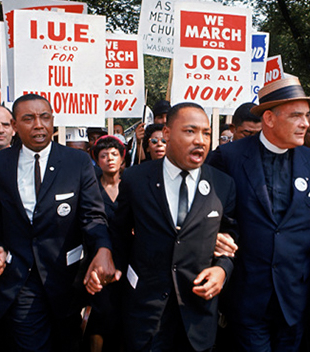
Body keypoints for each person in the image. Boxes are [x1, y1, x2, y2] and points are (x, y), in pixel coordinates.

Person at [209, 76, 310, 351]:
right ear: (270, 119)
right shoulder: (228, 157)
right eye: (296, 115)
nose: (306, 124)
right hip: (245, 297)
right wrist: (214, 235)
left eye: (306, 115)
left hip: (297, 300)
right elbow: (205, 213)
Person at [0, 94, 117, 351]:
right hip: (21, 279)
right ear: (14, 125)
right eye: (28, 119)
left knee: (68, 342)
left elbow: (93, 216)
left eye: (45, 117)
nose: (39, 125)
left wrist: (103, 248)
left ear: (53, 121)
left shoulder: (77, 162)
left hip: (67, 278)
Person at [112, 102, 237, 352]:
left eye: (206, 132)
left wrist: (222, 271)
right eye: (190, 131)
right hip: (146, 316)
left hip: (198, 317)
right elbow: (118, 234)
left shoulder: (223, 184)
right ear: (167, 134)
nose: (200, 140)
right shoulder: (136, 179)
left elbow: (231, 237)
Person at [86, 135, 127, 352]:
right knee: (100, 316)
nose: (109, 159)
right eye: (103, 155)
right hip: (98, 259)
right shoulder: (90, 189)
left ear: (122, 158)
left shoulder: (132, 186)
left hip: (128, 259)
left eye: (114, 154)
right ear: (96, 160)